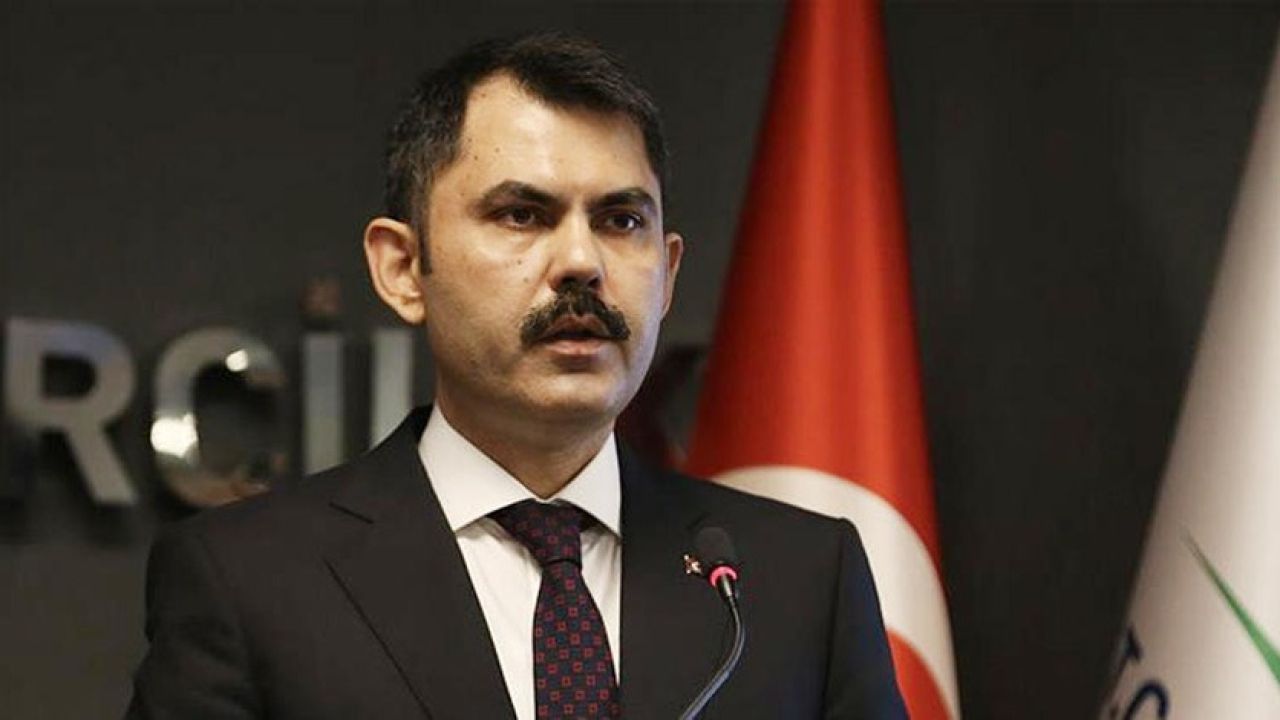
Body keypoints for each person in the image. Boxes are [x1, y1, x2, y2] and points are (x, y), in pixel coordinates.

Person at [125, 33, 906, 719]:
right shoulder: (249, 581)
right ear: (403, 268)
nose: (582, 262)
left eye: (621, 221)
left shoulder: (798, 579)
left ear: (667, 274)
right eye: (522, 215)